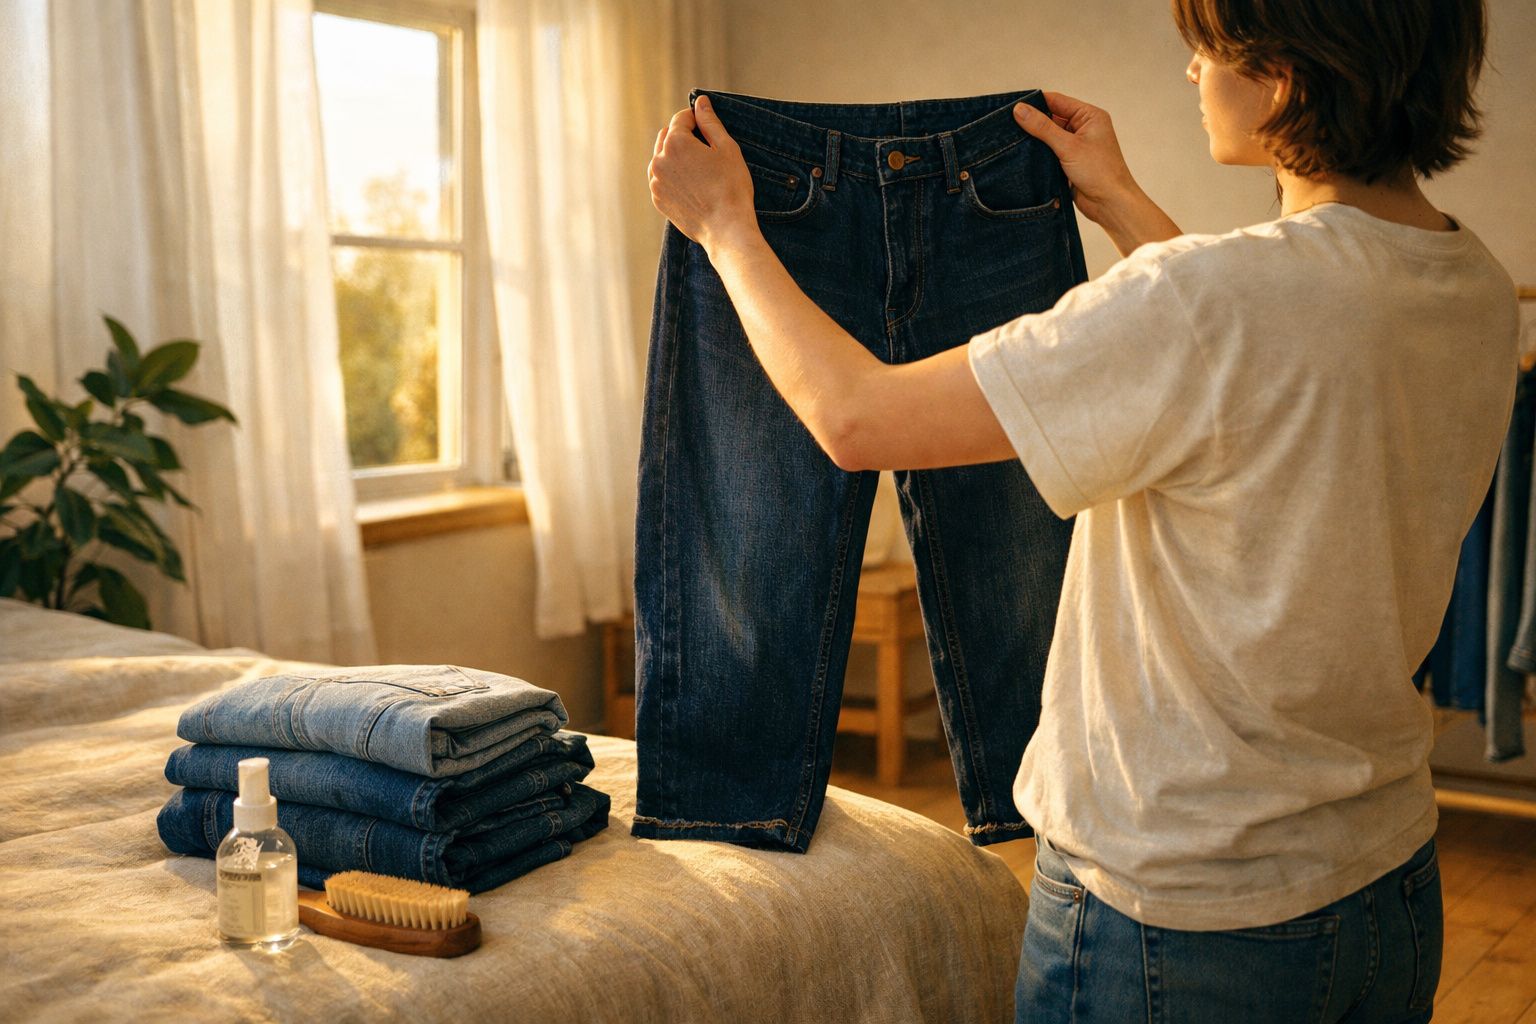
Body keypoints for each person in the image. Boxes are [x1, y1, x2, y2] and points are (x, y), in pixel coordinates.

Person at [646, 0, 1518, 1019]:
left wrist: (727, 231)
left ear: (1282, 77)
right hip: (1388, 881)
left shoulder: (1214, 302)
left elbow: (856, 418)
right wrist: (1119, 202)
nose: (1193, 72)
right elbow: (1262, 360)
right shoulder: (1473, 282)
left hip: (1179, 915)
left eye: (1210, 49)